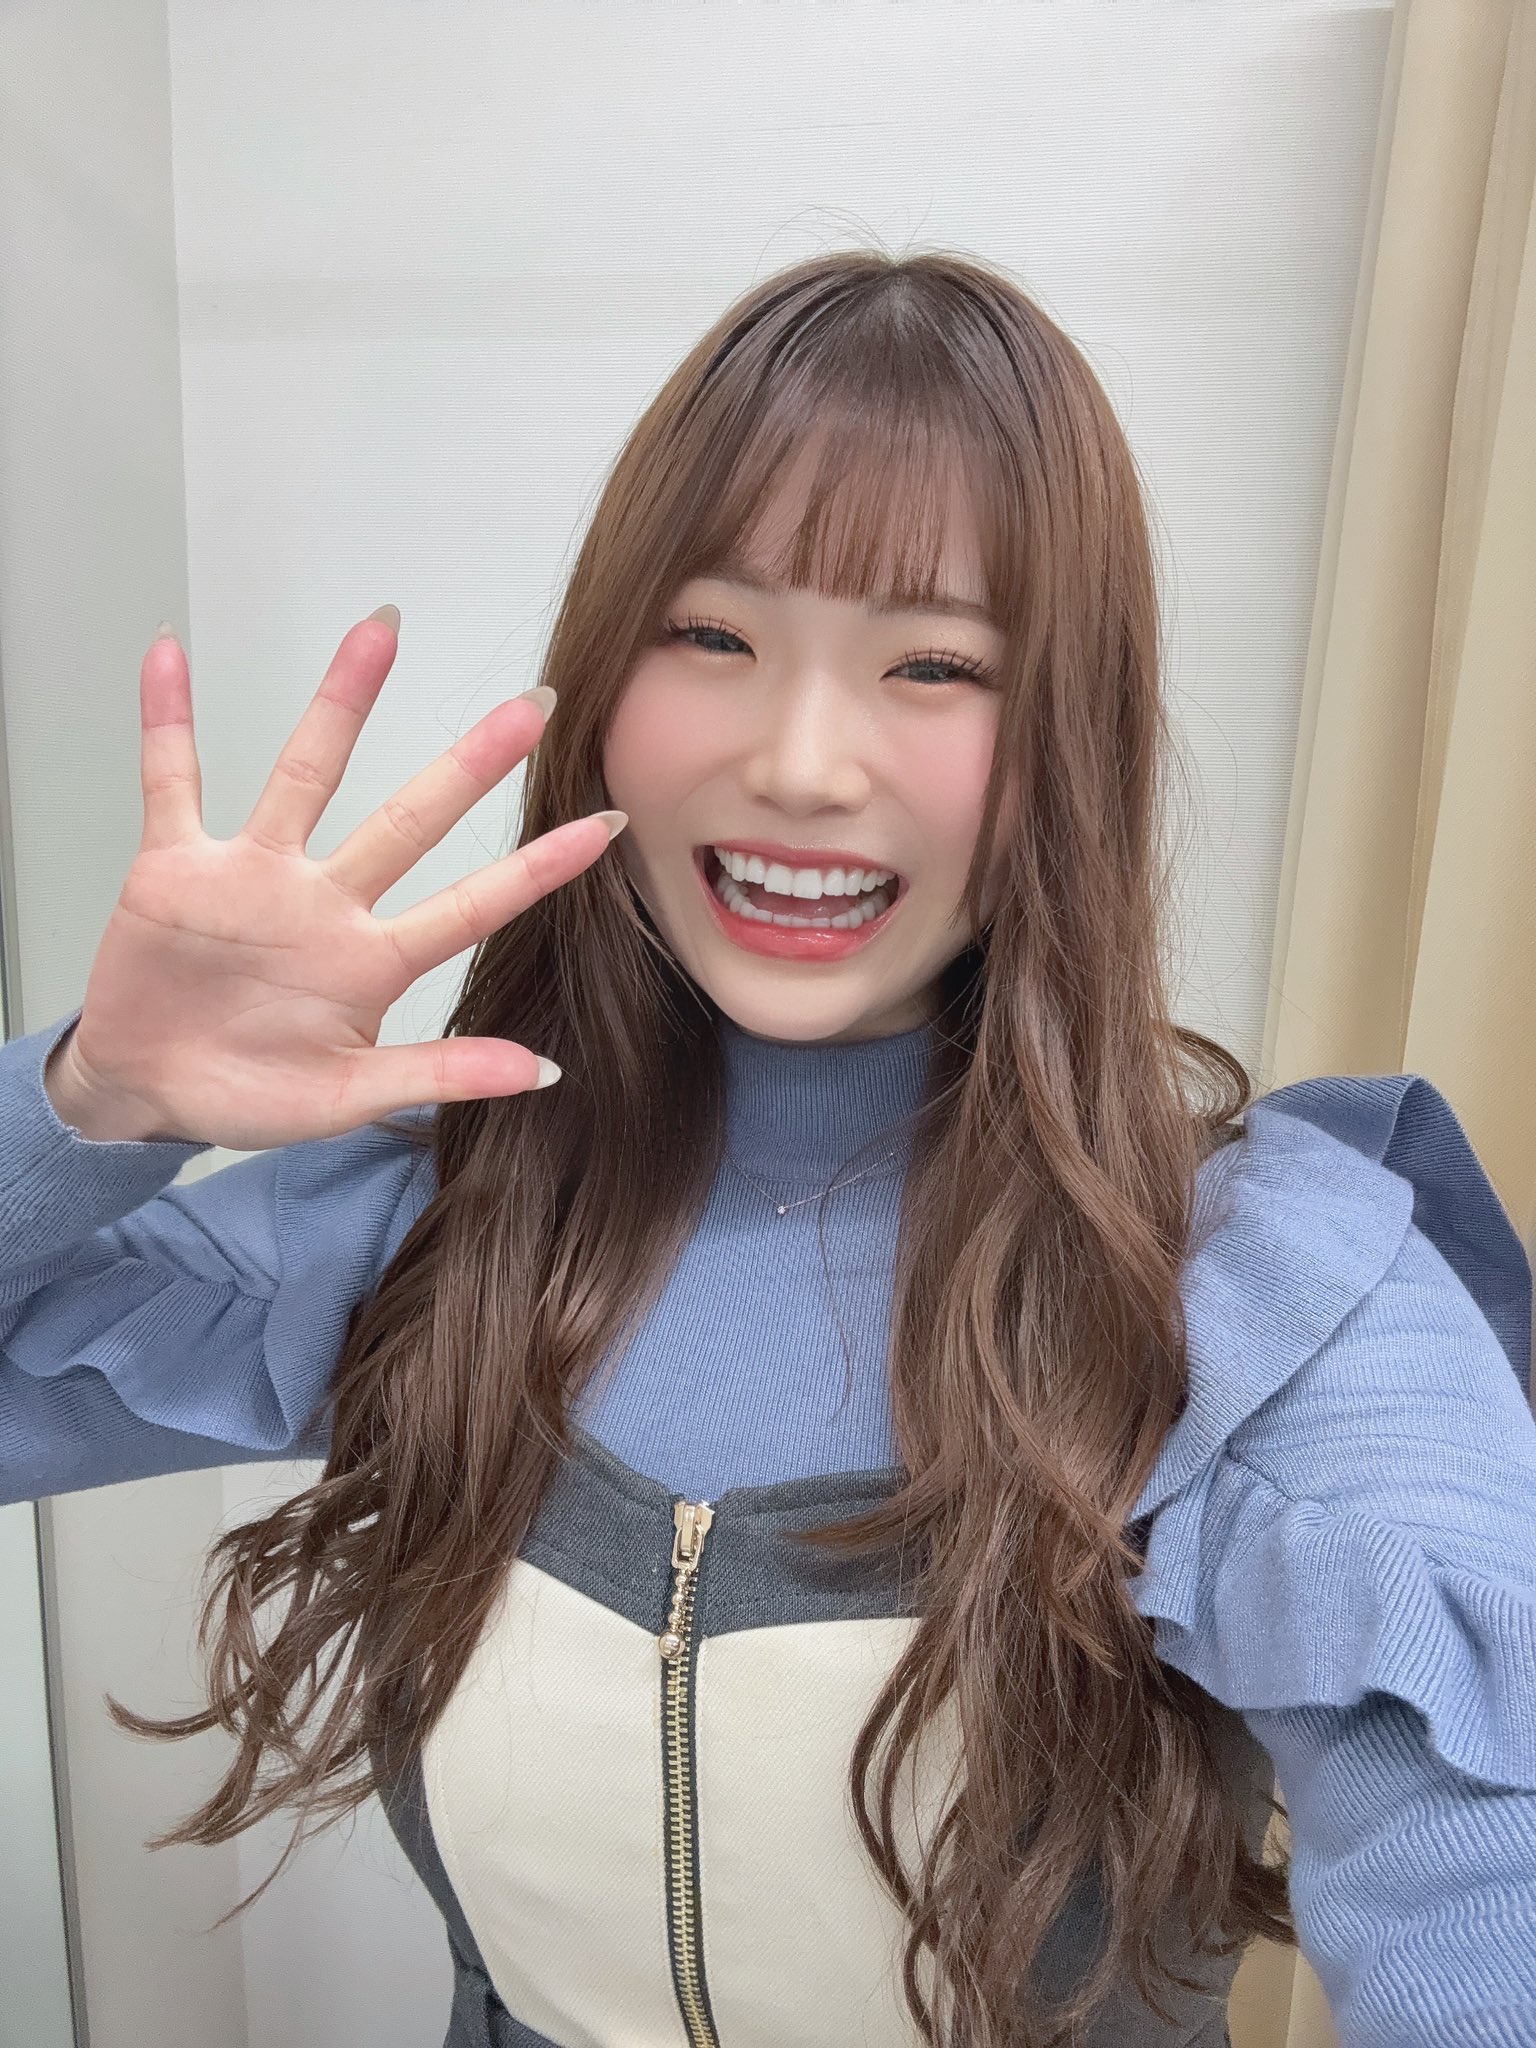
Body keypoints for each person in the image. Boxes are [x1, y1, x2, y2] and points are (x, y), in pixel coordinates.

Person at [2, 247, 1533, 2048]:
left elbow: (1481, 1850)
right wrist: (93, 1102)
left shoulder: (1265, 1301)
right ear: (604, 691)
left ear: (1073, 734)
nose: (803, 764)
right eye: (714, 638)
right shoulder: (436, 1213)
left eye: (936, 664)